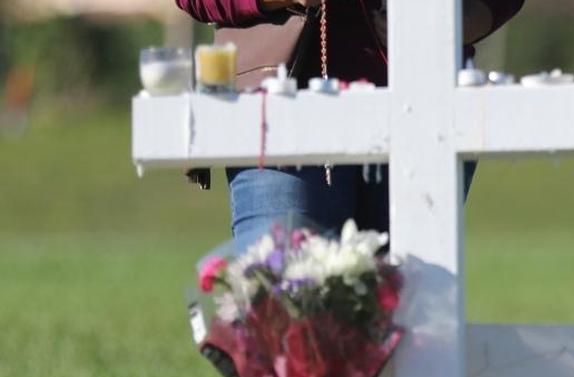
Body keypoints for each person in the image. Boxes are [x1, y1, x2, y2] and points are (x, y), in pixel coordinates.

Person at [175, 0, 524, 248]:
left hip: (424, 106)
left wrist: (466, 16)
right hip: (278, 115)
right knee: (286, 311)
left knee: (412, 324)